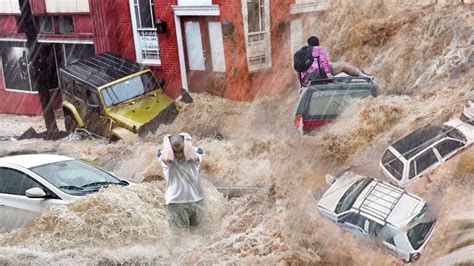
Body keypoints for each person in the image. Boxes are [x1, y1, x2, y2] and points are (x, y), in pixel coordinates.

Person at [158, 132, 204, 229]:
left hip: (196, 200)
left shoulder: (196, 151)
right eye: (176, 152)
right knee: (179, 236)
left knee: (199, 234)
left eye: (180, 151)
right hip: (176, 203)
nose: (178, 154)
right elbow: (168, 158)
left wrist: (187, 138)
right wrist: (166, 140)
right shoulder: (163, 153)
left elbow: (190, 158)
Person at [298, 36, 372, 87]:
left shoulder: (301, 53)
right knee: (343, 66)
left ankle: (337, 81)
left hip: (307, 79)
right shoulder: (318, 49)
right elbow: (324, 62)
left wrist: (303, 84)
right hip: (317, 75)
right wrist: (328, 74)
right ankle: (366, 77)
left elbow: (299, 70)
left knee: (335, 66)